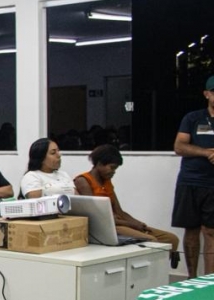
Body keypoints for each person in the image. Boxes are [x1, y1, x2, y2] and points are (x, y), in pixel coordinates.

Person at [76, 145, 180, 259]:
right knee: (151, 241)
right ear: (100, 164)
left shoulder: (106, 182)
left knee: (171, 239)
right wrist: (131, 225)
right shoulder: (83, 181)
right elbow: (97, 217)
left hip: (120, 223)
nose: (114, 172)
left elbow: (120, 211)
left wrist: (139, 224)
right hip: (108, 227)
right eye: (112, 167)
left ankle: (163, 265)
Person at [172, 75, 214, 277]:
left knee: (211, 232)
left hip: (212, 185)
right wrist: (206, 152)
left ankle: (209, 281)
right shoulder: (193, 118)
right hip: (190, 181)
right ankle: (191, 277)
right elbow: (179, 147)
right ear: (206, 94)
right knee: (191, 230)